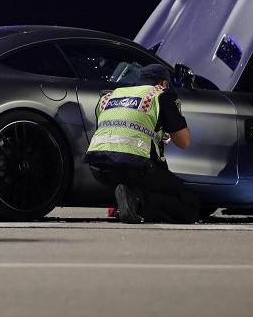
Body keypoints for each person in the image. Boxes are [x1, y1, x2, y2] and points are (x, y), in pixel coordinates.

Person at [83, 64, 199, 224]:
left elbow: (119, 130)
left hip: (100, 168)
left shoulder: (111, 96)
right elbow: (184, 142)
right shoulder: (159, 95)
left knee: (142, 181)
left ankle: (126, 202)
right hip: (136, 167)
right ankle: (137, 203)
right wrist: (175, 111)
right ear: (164, 84)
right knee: (188, 203)